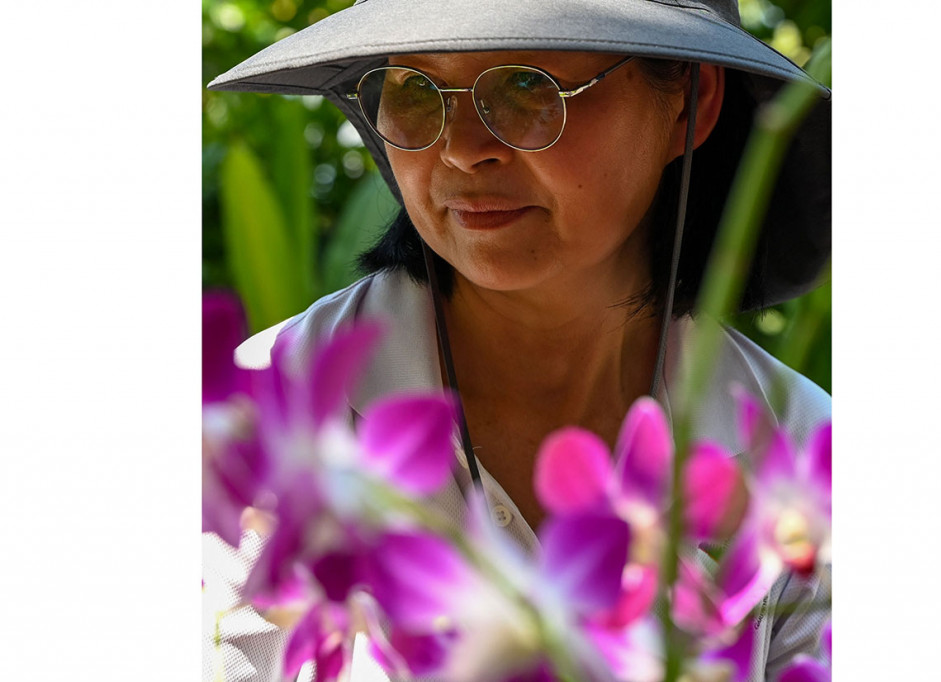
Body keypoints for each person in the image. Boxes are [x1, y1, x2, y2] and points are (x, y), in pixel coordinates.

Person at [205, 1, 831, 680]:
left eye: (528, 84)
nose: (463, 148)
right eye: (416, 90)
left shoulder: (803, 463)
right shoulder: (253, 428)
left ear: (688, 97)